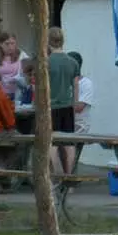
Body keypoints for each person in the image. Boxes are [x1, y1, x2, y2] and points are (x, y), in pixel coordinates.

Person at [45, 27, 82, 173]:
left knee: (51, 142)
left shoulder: (46, 62)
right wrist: (75, 102)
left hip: (50, 106)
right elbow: (75, 85)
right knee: (69, 143)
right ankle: (70, 176)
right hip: (67, 105)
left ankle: (56, 174)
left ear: (48, 42)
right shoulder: (73, 62)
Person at [0, 32, 27, 100]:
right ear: (0, 44)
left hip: (19, 92)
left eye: (12, 43)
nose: (10, 47)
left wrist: (18, 79)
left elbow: (28, 72)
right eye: (7, 44)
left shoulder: (22, 55)